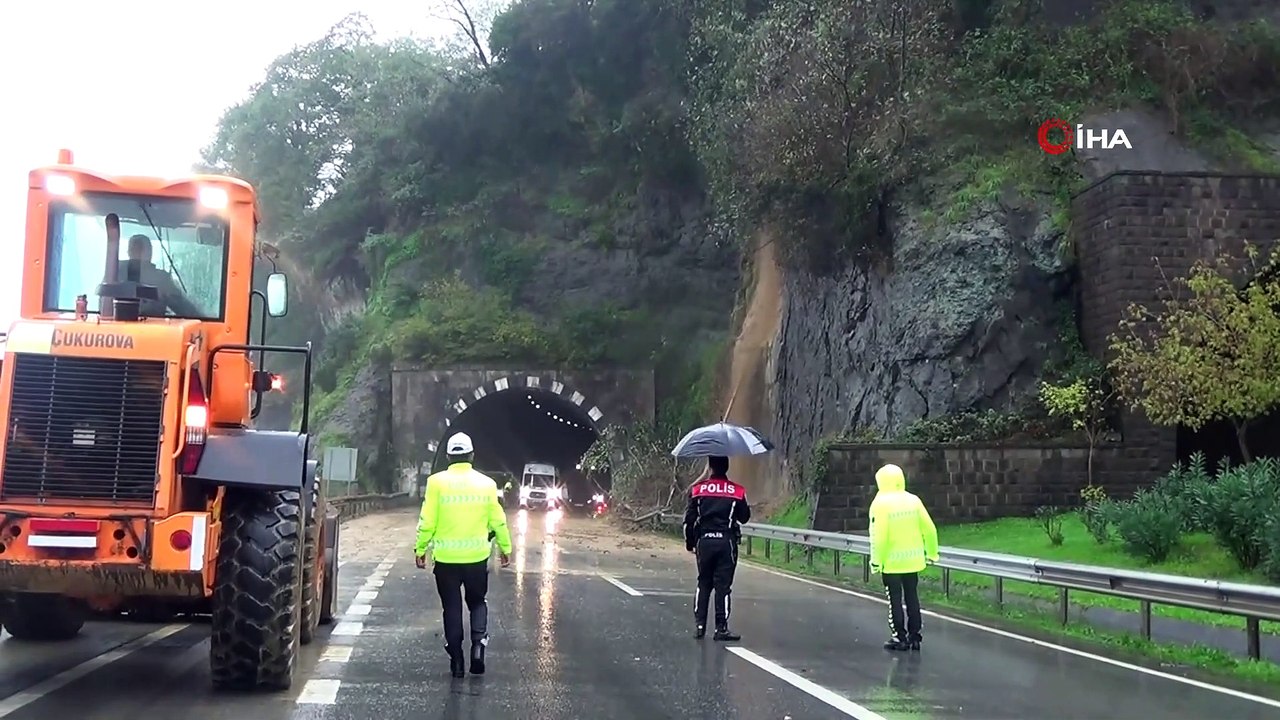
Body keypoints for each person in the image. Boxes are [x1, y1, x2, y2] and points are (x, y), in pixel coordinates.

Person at [414, 432, 513, 677]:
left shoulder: (436, 483)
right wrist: (505, 548)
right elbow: (497, 520)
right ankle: (478, 646)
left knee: (452, 607)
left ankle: (456, 659)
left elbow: (428, 520)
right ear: (471, 455)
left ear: (448, 456)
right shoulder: (487, 484)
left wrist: (421, 548)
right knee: (477, 602)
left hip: (446, 560)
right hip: (476, 558)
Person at [868, 463, 939, 652]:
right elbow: (929, 528)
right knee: (912, 597)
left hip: (891, 562)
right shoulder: (913, 500)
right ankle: (915, 636)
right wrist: (932, 552)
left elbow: (879, 536)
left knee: (895, 600)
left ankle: (899, 637)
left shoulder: (880, 504)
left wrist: (876, 561)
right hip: (913, 560)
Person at [683, 455, 751, 641]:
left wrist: (690, 543)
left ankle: (699, 626)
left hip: (704, 542)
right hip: (726, 543)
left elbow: (689, 521)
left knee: (703, 583)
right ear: (727, 467)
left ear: (711, 467)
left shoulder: (697, 490)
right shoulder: (737, 491)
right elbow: (744, 517)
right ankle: (721, 628)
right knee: (723, 586)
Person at [119, 234, 203, 317]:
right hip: (154, 329)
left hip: (115, 329)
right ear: (149, 252)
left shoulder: (114, 274)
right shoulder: (161, 279)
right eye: (148, 250)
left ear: (129, 252)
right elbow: (186, 310)